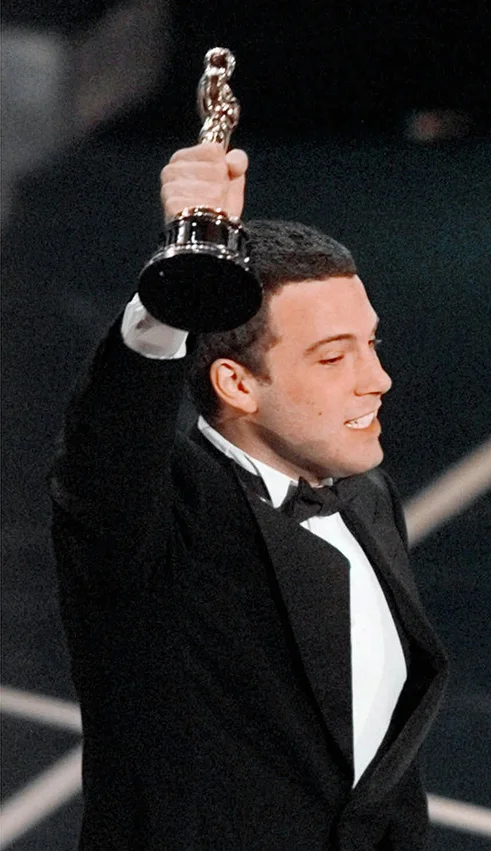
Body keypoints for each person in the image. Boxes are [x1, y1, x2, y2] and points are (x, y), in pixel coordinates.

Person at [48, 141, 448, 850]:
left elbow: (376, 777)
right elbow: (106, 449)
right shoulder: (158, 517)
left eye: (372, 343)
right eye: (333, 356)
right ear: (237, 383)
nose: (377, 378)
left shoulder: (367, 496)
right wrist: (180, 273)